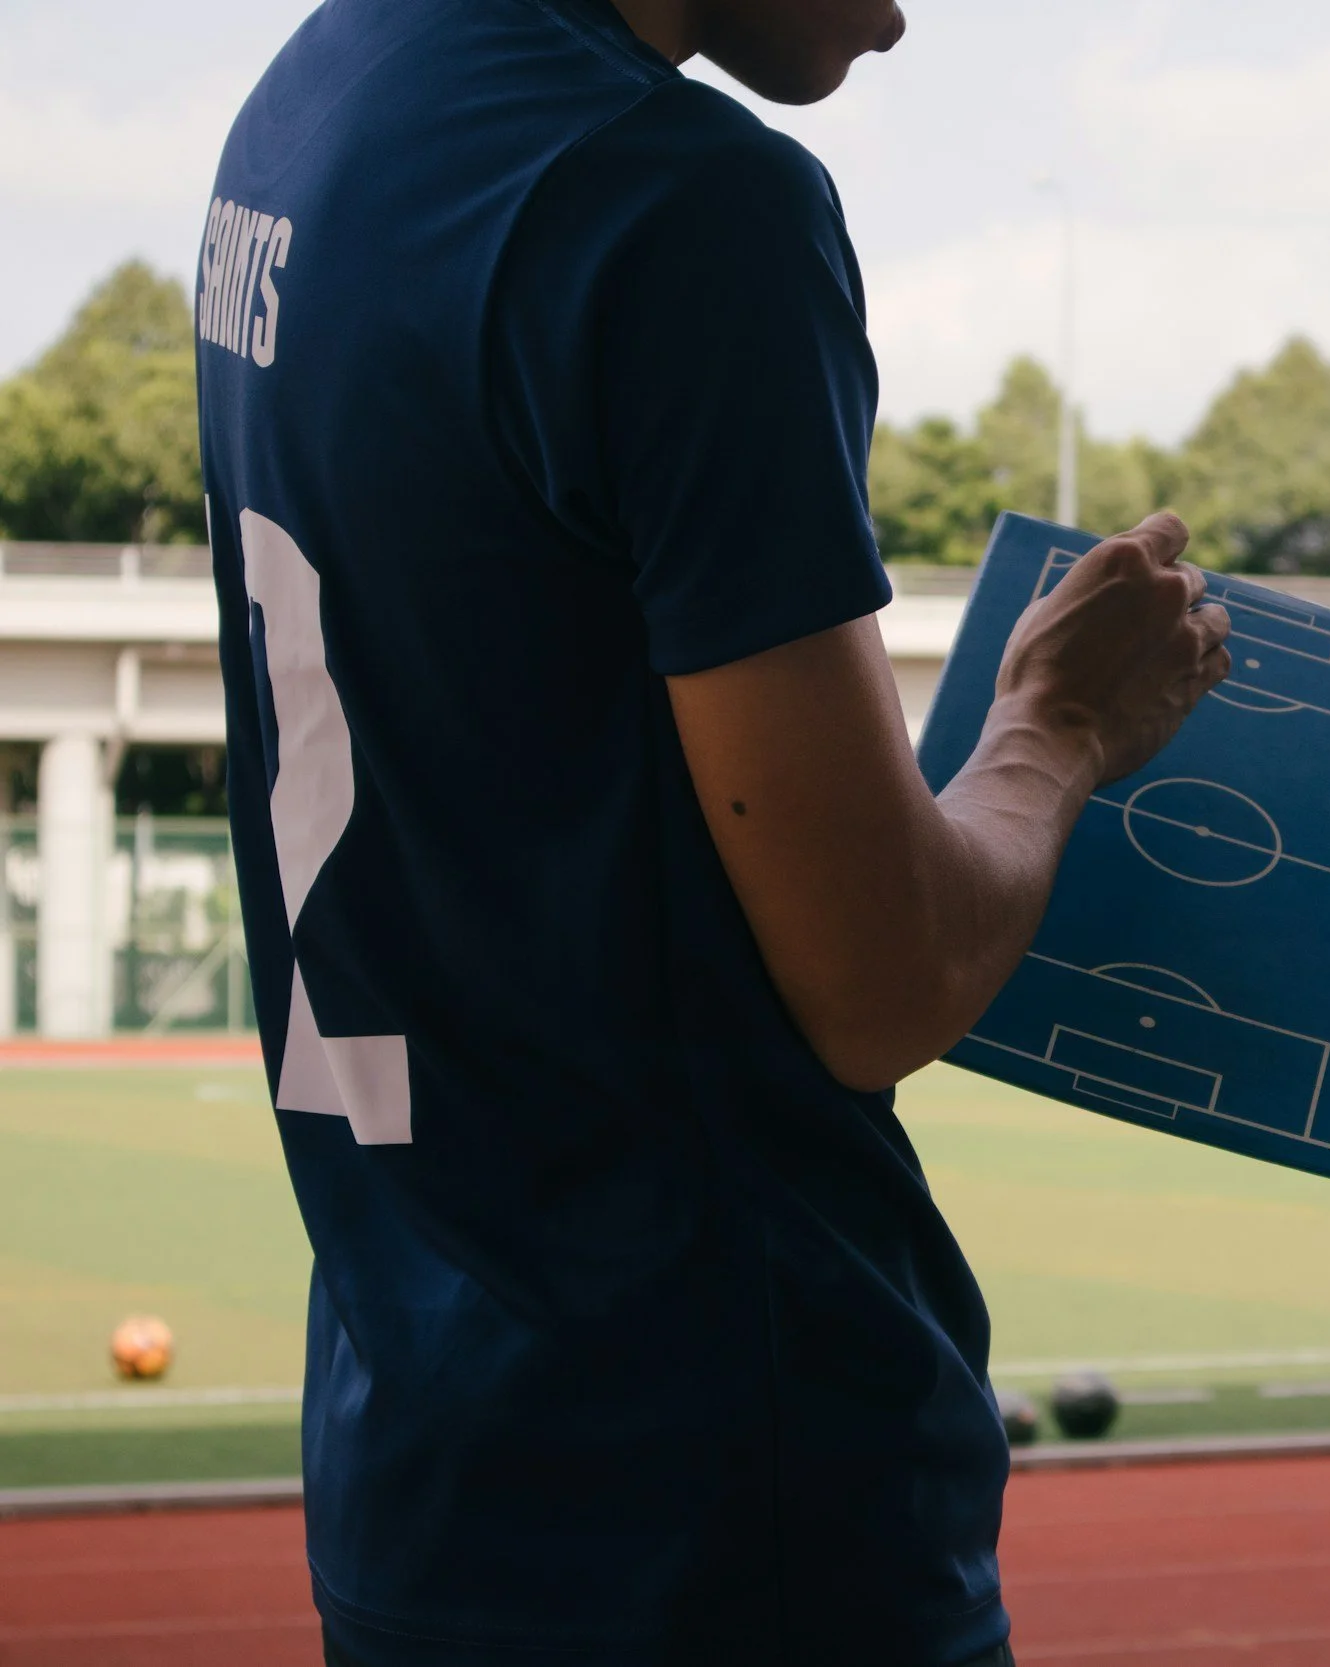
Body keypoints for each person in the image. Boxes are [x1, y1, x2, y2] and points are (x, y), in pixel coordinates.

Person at [193, 0, 1230, 1660]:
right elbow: (880, 984)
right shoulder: (678, 202)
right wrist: (1058, 725)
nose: (904, 18)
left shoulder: (316, 97)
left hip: (423, 1479)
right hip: (720, 1506)